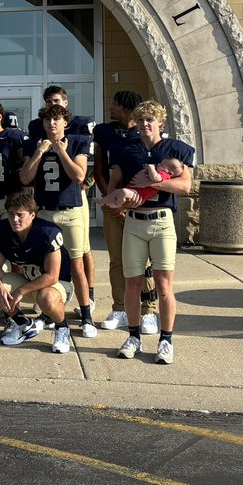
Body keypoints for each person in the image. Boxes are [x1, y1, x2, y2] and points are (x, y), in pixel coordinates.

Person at [107, 100, 195, 365]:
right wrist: (116, 203)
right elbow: (115, 185)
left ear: (160, 123)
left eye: (151, 120)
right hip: (134, 222)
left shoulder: (175, 149)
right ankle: (133, 336)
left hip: (162, 220)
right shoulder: (125, 149)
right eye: (141, 119)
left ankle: (166, 340)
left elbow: (186, 186)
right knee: (132, 283)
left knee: (164, 284)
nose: (145, 124)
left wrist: (156, 182)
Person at [19, 102, 96, 337]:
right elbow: (25, 178)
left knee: (76, 265)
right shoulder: (34, 144)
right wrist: (41, 152)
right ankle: (48, 313)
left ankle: (86, 316)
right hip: (44, 211)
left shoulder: (77, 142)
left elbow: (79, 175)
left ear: (65, 122)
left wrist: (61, 150)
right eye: (47, 120)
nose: (51, 124)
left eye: (56, 119)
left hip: (70, 210)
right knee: (48, 265)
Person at [92, 89, 157, 331]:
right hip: (113, 204)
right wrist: (110, 200)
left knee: (144, 260)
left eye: (114, 104)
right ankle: (119, 308)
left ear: (126, 107)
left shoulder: (145, 133)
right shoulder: (104, 132)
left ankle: (148, 310)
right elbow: (98, 170)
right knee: (117, 259)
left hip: (141, 205)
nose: (110, 108)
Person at [0, 193, 75, 354]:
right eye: (11, 214)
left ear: (32, 215)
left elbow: (52, 276)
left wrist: (21, 291)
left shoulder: (47, 232)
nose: (15, 219)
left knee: (45, 298)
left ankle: (62, 328)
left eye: (20, 215)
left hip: (57, 286)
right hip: (28, 280)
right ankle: (22, 323)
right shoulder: (2, 230)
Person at [97, 157, 186, 212]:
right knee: (116, 192)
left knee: (123, 192)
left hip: (139, 195)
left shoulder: (164, 175)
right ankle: (103, 201)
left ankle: (117, 205)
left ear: (170, 173)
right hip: (134, 190)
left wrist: (151, 168)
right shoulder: (160, 172)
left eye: (162, 164)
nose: (159, 164)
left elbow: (155, 178)